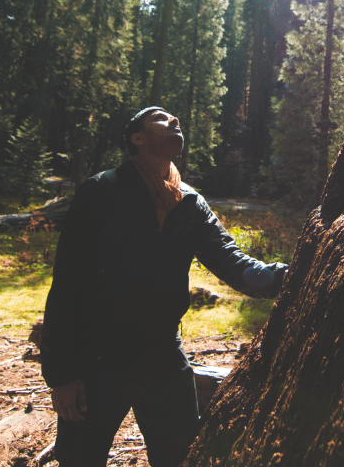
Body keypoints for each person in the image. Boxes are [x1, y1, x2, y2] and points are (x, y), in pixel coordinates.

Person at [41, 106, 287, 467]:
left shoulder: (191, 203)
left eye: (175, 118)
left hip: (162, 357)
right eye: (160, 117)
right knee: (80, 459)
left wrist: (285, 276)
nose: (174, 120)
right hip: (97, 358)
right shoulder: (102, 191)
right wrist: (60, 374)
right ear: (137, 139)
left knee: (181, 458)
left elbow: (231, 261)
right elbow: (67, 283)